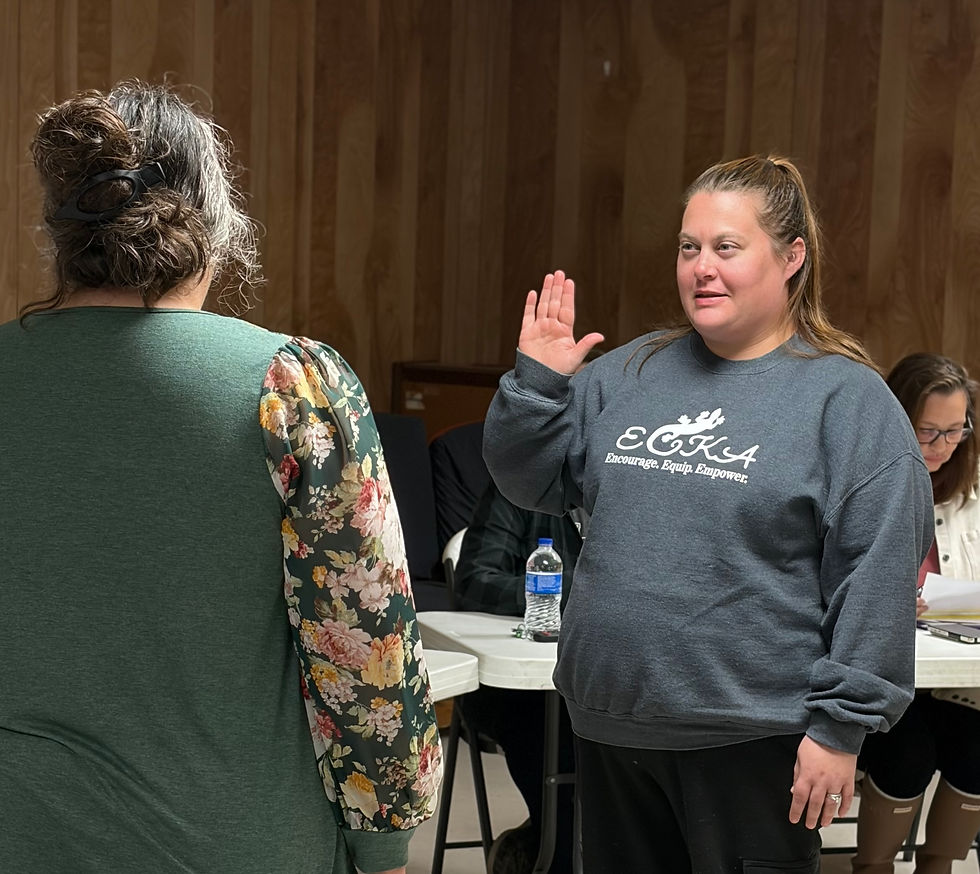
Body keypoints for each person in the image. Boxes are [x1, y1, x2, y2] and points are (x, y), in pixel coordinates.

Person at [0, 81, 440, 874]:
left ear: (60, 227)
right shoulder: (288, 384)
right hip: (231, 838)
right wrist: (386, 841)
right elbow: (368, 654)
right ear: (213, 221)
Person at [482, 154, 935, 872]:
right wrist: (536, 384)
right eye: (689, 247)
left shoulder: (847, 403)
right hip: (610, 728)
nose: (701, 268)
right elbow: (525, 481)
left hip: (753, 742)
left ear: (792, 257)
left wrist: (841, 731)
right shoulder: (628, 374)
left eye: (727, 247)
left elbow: (876, 575)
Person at [854, 353, 980, 874]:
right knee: (907, 754)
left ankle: (939, 866)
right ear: (896, 418)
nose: (943, 448)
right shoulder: (862, 483)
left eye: (957, 431)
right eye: (928, 431)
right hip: (884, 675)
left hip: (957, 675)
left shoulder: (970, 491)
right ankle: (873, 866)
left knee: (976, 750)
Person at [453, 479, 584, 873]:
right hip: (518, 690)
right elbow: (474, 581)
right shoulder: (522, 489)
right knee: (554, 726)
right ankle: (553, 854)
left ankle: (539, 845)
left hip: (605, 682)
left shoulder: (641, 497)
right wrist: (570, 591)